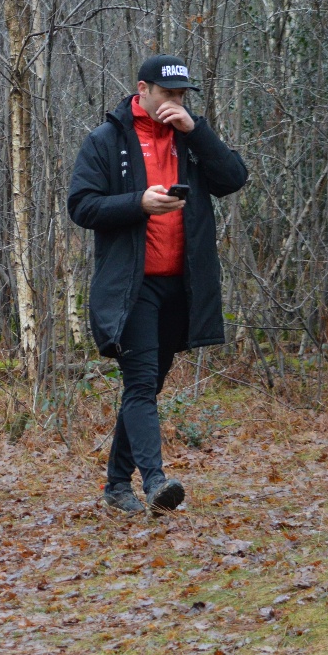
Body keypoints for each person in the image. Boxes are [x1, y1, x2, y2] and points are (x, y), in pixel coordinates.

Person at [68, 55, 248, 514]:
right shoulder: (106, 141)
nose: (175, 102)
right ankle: (154, 481)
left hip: (182, 287)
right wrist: (138, 203)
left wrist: (196, 129)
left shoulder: (190, 141)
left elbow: (233, 179)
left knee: (146, 387)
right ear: (142, 89)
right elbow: (82, 206)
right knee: (142, 383)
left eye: (183, 95)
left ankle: (114, 485)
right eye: (168, 94)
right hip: (132, 287)